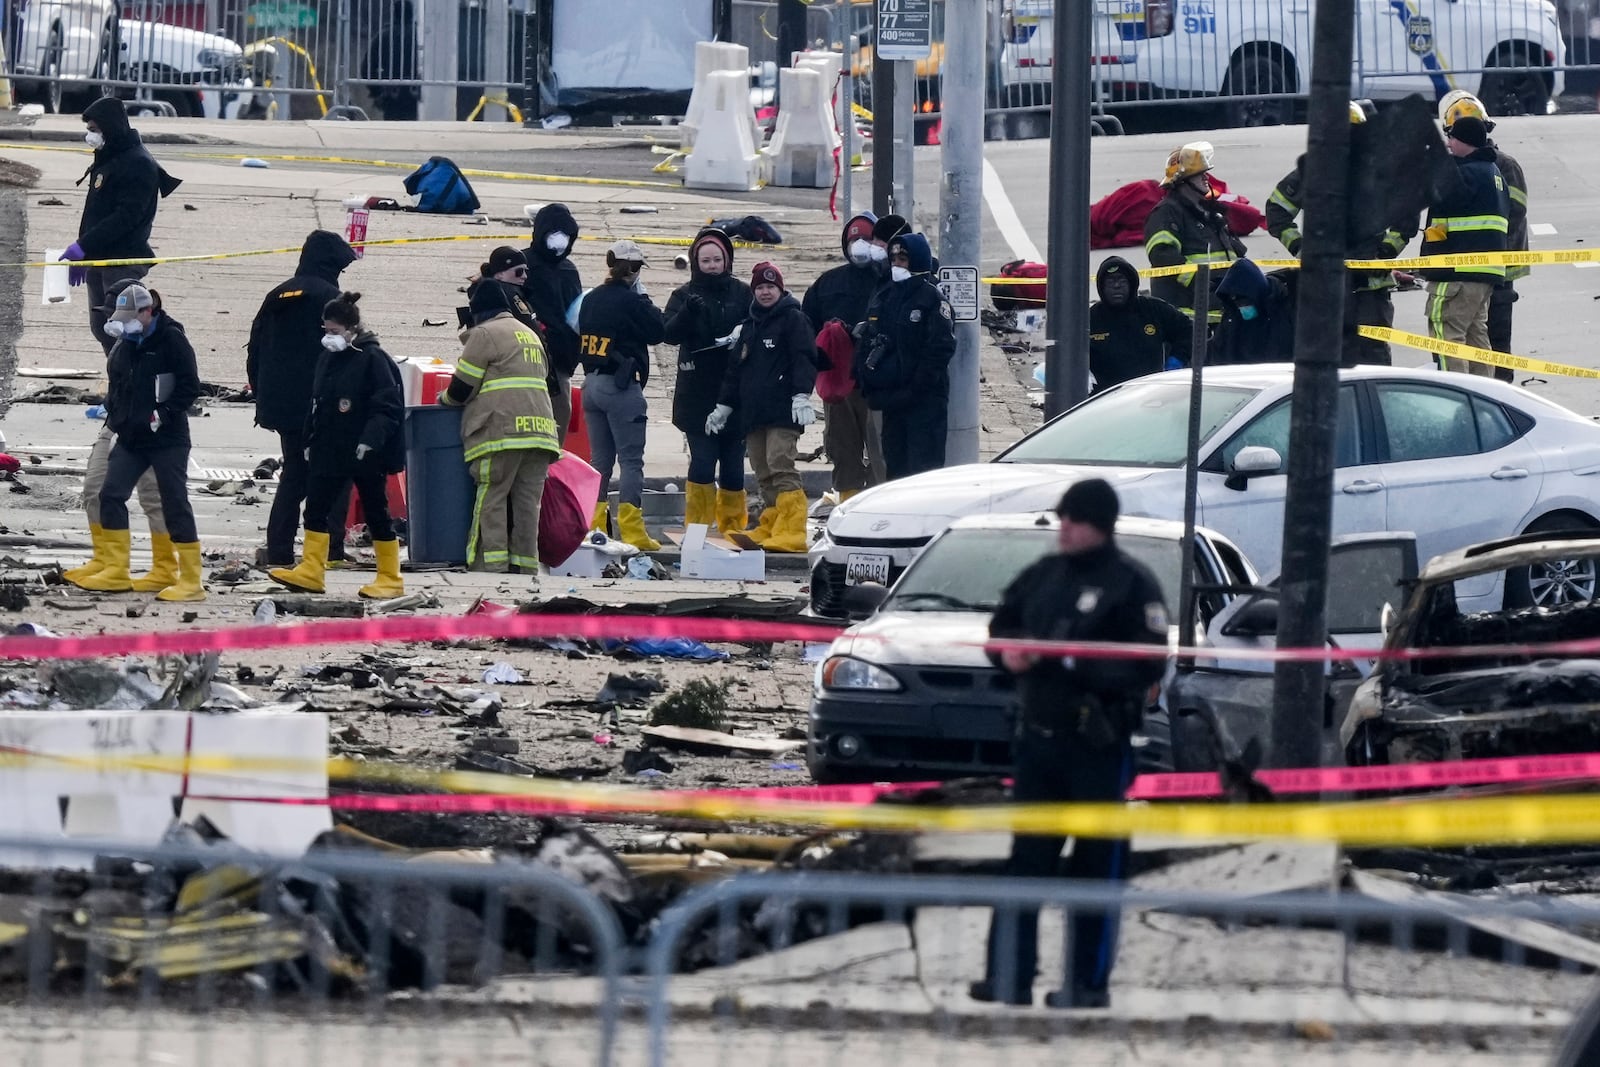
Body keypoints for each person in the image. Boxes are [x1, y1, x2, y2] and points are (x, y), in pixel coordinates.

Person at [970, 479, 1168, 1010]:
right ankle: (1008, 976)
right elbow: (1003, 624)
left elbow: (1149, 661)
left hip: (1096, 747)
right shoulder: (1045, 574)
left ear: (1098, 525)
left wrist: (1068, 660)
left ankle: (1086, 984)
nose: (1064, 530)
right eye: (1061, 520)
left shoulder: (1131, 583)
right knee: (1025, 861)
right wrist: (1006, 653)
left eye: (1073, 521)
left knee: (1095, 867)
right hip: (1039, 743)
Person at [73, 284, 205, 602]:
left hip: (167, 438)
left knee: (174, 502)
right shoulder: (127, 342)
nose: (125, 324)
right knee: (110, 493)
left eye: (131, 317)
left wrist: (164, 413)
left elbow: (190, 386)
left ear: (148, 312)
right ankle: (116, 570)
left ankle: (190, 579)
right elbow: (120, 384)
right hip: (131, 436)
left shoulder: (171, 339)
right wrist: (115, 418)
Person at [270, 293, 405, 598]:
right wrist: (309, 439)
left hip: (364, 450)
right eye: (325, 331)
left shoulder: (373, 359)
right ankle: (311, 569)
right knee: (315, 508)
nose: (328, 338)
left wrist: (371, 440)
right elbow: (317, 403)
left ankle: (390, 577)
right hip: (329, 447)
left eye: (333, 331)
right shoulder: (329, 358)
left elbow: (387, 406)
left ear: (352, 328)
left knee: (376, 512)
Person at [1265, 103, 1415, 366]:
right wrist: (1299, 246)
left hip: (1370, 286)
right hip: (1326, 285)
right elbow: (1276, 209)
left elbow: (1407, 218)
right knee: (1330, 358)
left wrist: (1386, 252)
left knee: (1373, 356)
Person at [438, 256, 562, 574]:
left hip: (502, 432)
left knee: (491, 497)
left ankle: (488, 564)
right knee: (526, 505)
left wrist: (444, 399)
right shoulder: (528, 333)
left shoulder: (485, 334)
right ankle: (525, 566)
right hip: (540, 434)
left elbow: (461, 389)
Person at [246, 230, 360, 568]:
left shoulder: (277, 294)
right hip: (319, 406)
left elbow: (254, 350)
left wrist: (263, 395)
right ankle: (330, 550)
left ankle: (279, 550)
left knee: (294, 475)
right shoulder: (332, 299)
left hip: (280, 405)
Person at [704, 261, 817, 552]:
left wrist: (802, 394)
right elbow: (735, 370)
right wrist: (724, 406)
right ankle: (771, 522)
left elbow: (804, 358)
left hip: (782, 412)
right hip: (753, 414)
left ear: (780, 289)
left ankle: (792, 529)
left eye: (771, 287)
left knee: (781, 463)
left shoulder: (794, 319)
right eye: (760, 288)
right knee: (762, 468)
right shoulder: (750, 325)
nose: (766, 293)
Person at [61, 96, 181, 353]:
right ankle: (117, 384)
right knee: (101, 328)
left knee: (125, 329)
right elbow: (97, 213)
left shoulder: (137, 163)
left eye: (94, 130)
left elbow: (125, 218)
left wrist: (83, 246)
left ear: (110, 128)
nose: (90, 136)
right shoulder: (108, 156)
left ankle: (135, 384)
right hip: (99, 257)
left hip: (123, 260)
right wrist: (85, 252)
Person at [577, 240, 666, 550]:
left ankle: (594, 528)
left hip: (591, 386)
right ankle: (632, 531)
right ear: (635, 270)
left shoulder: (591, 298)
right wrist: (642, 298)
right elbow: (658, 331)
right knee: (631, 461)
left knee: (599, 462)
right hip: (620, 388)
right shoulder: (632, 301)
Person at [664, 228, 752, 534]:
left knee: (733, 464)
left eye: (718, 259)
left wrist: (743, 334)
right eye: (706, 260)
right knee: (702, 460)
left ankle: (732, 527)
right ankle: (698, 528)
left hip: (735, 394)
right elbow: (669, 335)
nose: (713, 265)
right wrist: (687, 313)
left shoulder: (742, 293)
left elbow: (760, 324)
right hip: (697, 395)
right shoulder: (683, 295)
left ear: (727, 261)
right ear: (695, 262)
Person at [1439, 91, 1528, 384]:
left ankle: (1499, 394)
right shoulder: (1462, 168)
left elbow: (1514, 215)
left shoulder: (1506, 166)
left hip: (1498, 270)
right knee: (1479, 337)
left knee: (1494, 339)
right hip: (1482, 269)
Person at [855, 232, 956, 480]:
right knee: (895, 468)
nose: (897, 264)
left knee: (923, 470)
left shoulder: (931, 299)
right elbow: (874, 338)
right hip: (893, 401)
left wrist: (915, 388)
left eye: (903, 259)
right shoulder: (887, 296)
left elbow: (939, 350)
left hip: (924, 402)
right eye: (894, 259)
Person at [802, 211, 887, 499]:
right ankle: (849, 505)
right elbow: (807, 330)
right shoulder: (828, 284)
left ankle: (879, 507)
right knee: (842, 447)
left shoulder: (890, 282)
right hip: (839, 384)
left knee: (881, 453)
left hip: (880, 384)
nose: (860, 246)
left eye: (867, 239)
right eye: (854, 240)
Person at [1421, 115, 1510, 376]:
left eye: (1452, 138)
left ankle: (1456, 395)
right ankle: (1485, 400)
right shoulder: (1494, 174)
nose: (1449, 144)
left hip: (1456, 273)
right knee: (1476, 339)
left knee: (1447, 335)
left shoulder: (1464, 174)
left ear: (1465, 141)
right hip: (1483, 274)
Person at [1143, 141, 1245, 319]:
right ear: (1182, 181)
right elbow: (1163, 256)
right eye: (1199, 175)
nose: (1207, 178)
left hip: (1220, 310)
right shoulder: (1167, 212)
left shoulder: (1210, 214)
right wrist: (1202, 283)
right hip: (1188, 314)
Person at [520, 204, 585, 437]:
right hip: (526, 357)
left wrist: (572, 355)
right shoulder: (522, 264)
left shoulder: (568, 270)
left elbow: (576, 314)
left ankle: (552, 466)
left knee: (558, 418)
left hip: (560, 361)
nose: (559, 241)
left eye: (565, 235)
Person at [1087, 256, 1190, 391]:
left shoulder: (1153, 309)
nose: (1116, 286)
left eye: (1122, 280)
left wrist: (1177, 359)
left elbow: (1191, 330)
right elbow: (1069, 353)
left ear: (1132, 283)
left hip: (1152, 391)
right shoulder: (1091, 318)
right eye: (1110, 281)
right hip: (1106, 397)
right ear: (1101, 286)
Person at [1210, 258, 1297, 365]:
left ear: (1255, 294)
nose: (1240, 306)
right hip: (1240, 376)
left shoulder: (1284, 309)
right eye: (1235, 300)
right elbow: (1218, 352)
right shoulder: (1232, 318)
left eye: (1243, 300)